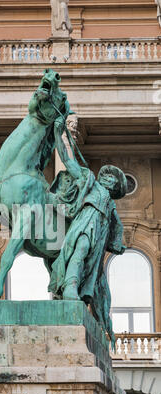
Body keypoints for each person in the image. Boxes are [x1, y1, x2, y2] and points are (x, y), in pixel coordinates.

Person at [49, 116, 127, 342]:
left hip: (100, 233)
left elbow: (116, 226)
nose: (111, 182)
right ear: (103, 178)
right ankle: (70, 287)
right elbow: (69, 160)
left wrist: (117, 243)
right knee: (79, 250)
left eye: (115, 182)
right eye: (109, 178)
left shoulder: (110, 205)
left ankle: (79, 290)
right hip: (86, 222)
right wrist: (58, 134)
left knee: (90, 268)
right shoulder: (89, 182)